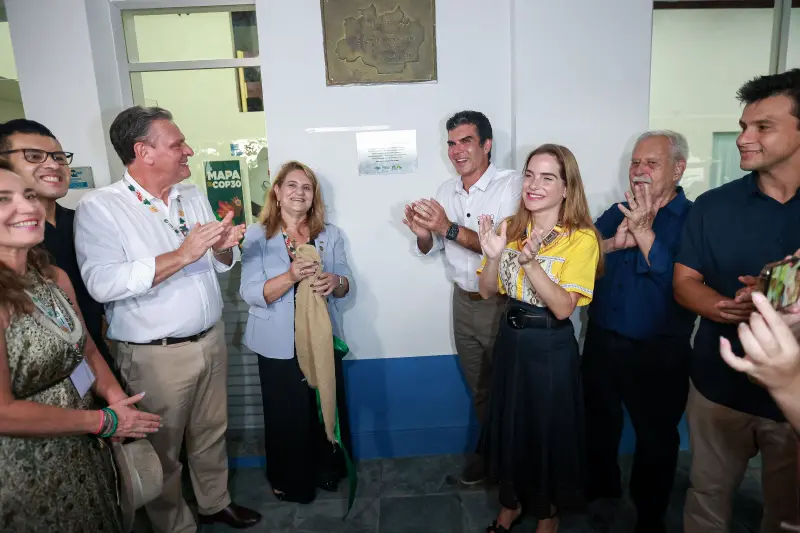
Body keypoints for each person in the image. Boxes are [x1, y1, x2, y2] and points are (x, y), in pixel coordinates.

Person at [74, 106, 260, 532]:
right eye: (178, 144)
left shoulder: (190, 195)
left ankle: (215, 503)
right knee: (161, 449)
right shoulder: (102, 207)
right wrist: (182, 254)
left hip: (211, 339)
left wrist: (222, 248)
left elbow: (218, 263)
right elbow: (102, 283)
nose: (188, 150)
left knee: (211, 432)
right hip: (155, 356)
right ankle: (175, 525)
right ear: (144, 152)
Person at [0, 161, 161, 532]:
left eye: (29, 195)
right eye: (3, 199)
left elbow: (86, 349)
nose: (27, 206)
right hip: (25, 465)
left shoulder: (52, 277)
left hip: (83, 448)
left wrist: (117, 400)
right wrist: (102, 421)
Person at [673, 68, 800, 533]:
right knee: (707, 497)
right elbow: (685, 281)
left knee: (787, 513)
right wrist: (725, 307)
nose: (744, 138)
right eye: (744, 126)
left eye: (763, 127)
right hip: (719, 386)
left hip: (792, 396)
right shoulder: (713, 205)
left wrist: (775, 296)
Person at [477, 144, 601, 533]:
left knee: (546, 431)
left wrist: (531, 265)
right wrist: (494, 256)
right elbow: (486, 290)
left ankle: (548, 513)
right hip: (511, 341)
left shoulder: (582, 239)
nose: (533, 185)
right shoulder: (512, 227)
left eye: (547, 177)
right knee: (512, 426)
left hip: (549, 346)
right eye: (529, 175)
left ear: (567, 188)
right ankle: (510, 503)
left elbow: (564, 308)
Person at [581, 131, 695, 533]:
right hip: (602, 340)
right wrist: (613, 243)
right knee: (598, 423)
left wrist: (646, 234)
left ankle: (649, 516)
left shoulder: (694, 220)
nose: (639, 171)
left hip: (658, 352)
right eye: (635, 162)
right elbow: (583, 255)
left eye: (651, 163)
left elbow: (681, 285)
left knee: (655, 438)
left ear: (678, 169)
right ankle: (601, 493)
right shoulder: (618, 211)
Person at [403, 110, 521, 484]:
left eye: (466, 141)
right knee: (481, 390)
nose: (457, 150)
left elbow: (503, 249)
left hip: (501, 303)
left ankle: (517, 468)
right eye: (451, 143)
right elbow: (432, 248)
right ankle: (492, 458)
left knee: (511, 391)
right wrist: (423, 233)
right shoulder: (445, 192)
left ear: (487, 145)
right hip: (462, 302)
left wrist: (447, 227)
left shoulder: (512, 185)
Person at [239, 160, 354, 504]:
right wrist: (290, 277)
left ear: (314, 196)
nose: (299, 193)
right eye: (291, 185)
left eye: (307, 188)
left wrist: (336, 281)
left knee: (323, 404)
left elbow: (347, 282)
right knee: (286, 415)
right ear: (276, 191)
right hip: (277, 342)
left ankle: (326, 470)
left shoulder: (330, 234)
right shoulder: (257, 236)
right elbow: (249, 292)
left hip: (322, 337)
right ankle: (290, 481)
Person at [0, 120, 113, 370]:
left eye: (59, 157)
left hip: (96, 357)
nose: (53, 165)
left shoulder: (86, 221)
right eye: (33, 156)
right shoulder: (9, 243)